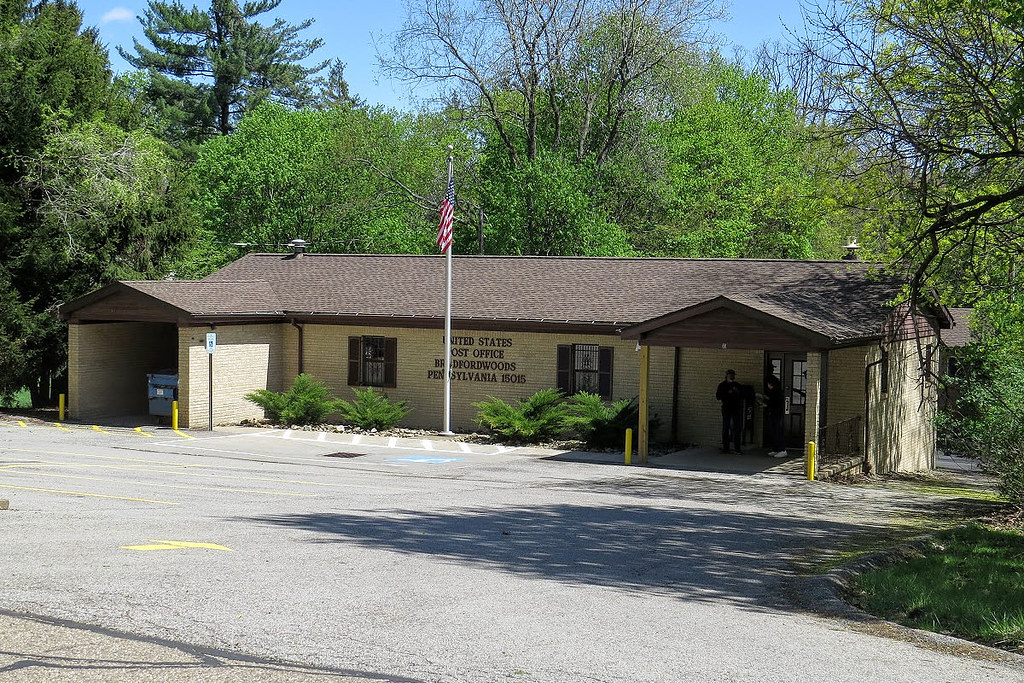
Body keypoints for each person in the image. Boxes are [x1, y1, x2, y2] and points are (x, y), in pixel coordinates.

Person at [715, 370, 744, 454]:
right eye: (730, 375)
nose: (732, 377)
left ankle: (737, 448)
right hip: (726, 408)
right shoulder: (722, 385)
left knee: (737, 428)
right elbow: (718, 396)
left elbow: (742, 395)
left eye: (733, 375)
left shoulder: (737, 385)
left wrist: (737, 391)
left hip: (736, 408)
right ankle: (726, 448)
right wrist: (727, 393)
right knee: (726, 427)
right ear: (727, 376)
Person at [764, 375, 788, 458]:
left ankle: (782, 449)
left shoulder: (775, 391)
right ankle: (776, 449)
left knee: (777, 431)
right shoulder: (776, 391)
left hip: (776, 414)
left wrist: (765, 404)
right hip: (775, 414)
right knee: (774, 431)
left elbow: (773, 403)